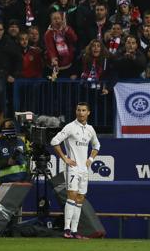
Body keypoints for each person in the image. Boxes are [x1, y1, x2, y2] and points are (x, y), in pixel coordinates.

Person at [50, 102, 101, 239]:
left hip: (84, 170)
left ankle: (74, 230)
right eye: (78, 110)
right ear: (76, 111)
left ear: (88, 112)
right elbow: (54, 141)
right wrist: (65, 158)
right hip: (72, 168)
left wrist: (90, 160)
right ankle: (66, 229)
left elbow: (96, 145)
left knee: (80, 198)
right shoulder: (70, 127)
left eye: (83, 110)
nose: (81, 113)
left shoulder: (90, 129)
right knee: (71, 196)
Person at [0, 118, 29, 185]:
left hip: (21, 182)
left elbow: (27, 159)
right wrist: (6, 162)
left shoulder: (20, 141)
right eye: (9, 126)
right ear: (3, 129)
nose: (12, 128)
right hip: (4, 182)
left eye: (13, 126)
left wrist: (27, 177)